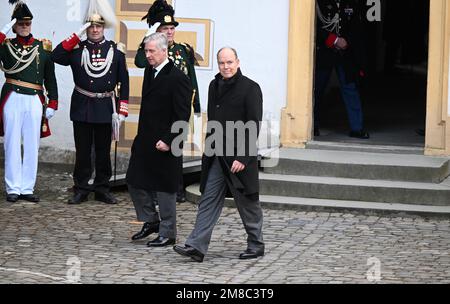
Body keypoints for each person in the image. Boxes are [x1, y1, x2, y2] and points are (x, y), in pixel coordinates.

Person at [173, 47, 264, 262]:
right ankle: (196, 245)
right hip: (216, 155)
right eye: (222, 63)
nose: (226, 67)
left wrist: (243, 157)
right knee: (209, 199)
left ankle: (256, 244)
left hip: (239, 157)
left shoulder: (250, 88)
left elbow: (253, 125)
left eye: (230, 62)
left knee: (247, 202)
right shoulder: (214, 85)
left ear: (238, 62)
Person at [51, 0, 129, 205]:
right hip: (82, 105)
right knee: (83, 151)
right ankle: (81, 188)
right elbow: (56, 55)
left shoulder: (116, 51)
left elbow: (124, 82)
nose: (94, 29)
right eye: (91, 26)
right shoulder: (77, 48)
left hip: (105, 107)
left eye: (98, 26)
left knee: (103, 152)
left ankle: (102, 189)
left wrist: (122, 110)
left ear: (104, 27)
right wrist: (77, 34)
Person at [126, 32, 191, 247]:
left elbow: (182, 116)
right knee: (135, 180)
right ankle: (150, 220)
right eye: (146, 50)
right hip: (145, 137)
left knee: (165, 188)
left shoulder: (178, 78)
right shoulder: (149, 71)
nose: (148, 55)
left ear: (164, 51)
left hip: (166, 141)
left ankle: (168, 232)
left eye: (152, 51)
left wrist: (169, 140)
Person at [136, 0, 201, 203]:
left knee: (175, 146)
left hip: (180, 107)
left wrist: (196, 105)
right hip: (158, 109)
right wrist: (150, 36)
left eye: (172, 28)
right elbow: (139, 61)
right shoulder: (151, 51)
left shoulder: (183, 50)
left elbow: (192, 79)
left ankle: (176, 188)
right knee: (156, 148)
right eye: (165, 28)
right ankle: (156, 189)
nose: (170, 32)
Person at [0, 1, 58, 203]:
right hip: (13, 96)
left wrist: (53, 103)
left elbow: (50, 77)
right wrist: (5, 29)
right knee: (12, 143)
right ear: (15, 26)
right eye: (21, 24)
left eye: (28, 24)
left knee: (32, 144)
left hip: (34, 98)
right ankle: (13, 187)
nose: (25, 27)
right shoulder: (6, 46)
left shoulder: (42, 47)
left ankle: (27, 187)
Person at [314, 0, 369, 139]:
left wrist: (346, 42)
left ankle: (357, 128)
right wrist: (333, 40)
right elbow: (315, 25)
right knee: (318, 90)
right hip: (325, 52)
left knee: (350, 88)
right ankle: (312, 125)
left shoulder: (351, 2)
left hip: (345, 53)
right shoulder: (319, 3)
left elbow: (356, 26)